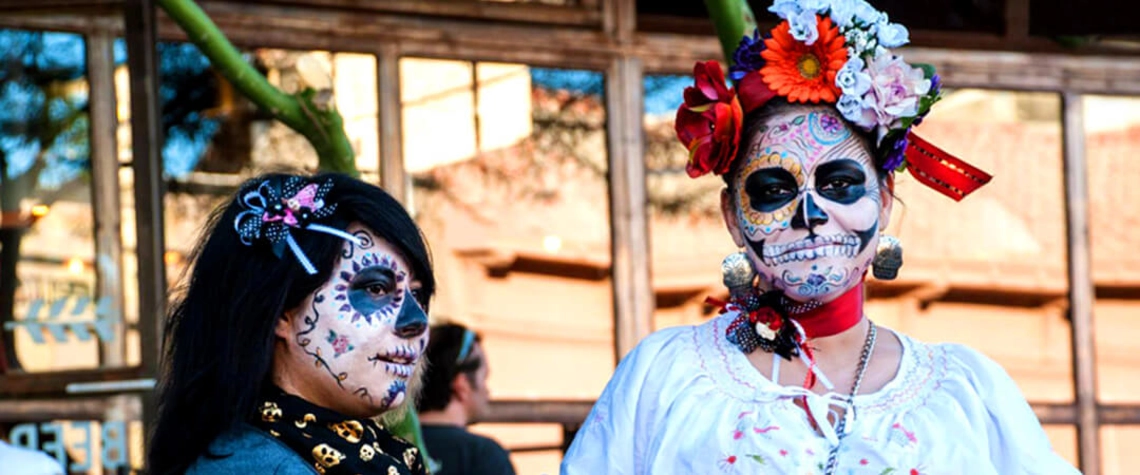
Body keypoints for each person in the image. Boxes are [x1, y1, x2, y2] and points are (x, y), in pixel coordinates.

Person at [561, 1, 1081, 473]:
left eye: (838, 184)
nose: (809, 212)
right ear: (732, 216)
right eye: (772, 189)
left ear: (882, 196)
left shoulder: (965, 392)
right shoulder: (667, 377)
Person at [148, 172, 435, 475]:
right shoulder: (257, 467)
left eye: (417, 295)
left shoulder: (365, 455)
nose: (415, 321)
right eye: (375, 289)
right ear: (282, 311)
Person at [416, 324, 516, 475]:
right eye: (485, 378)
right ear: (462, 385)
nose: (488, 391)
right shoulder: (484, 456)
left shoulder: (384, 445)